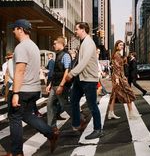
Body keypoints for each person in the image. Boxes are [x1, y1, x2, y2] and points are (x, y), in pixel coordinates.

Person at [6, 19, 59, 156]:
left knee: (15, 118)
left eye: (14, 29)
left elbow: (20, 71)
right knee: (27, 115)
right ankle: (51, 133)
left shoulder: (22, 47)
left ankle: (17, 152)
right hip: (33, 89)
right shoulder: (34, 46)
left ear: (20, 29)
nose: (13, 31)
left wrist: (15, 92)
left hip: (22, 89)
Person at [65, 22, 103, 139]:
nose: (75, 31)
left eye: (76, 29)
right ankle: (76, 126)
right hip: (80, 78)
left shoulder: (89, 43)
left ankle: (98, 129)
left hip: (89, 79)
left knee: (92, 105)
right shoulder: (83, 43)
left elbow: (84, 61)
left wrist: (71, 73)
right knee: (73, 101)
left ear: (83, 30)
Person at [108, 40, 141, 120]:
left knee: (114, 94)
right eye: (120, 45)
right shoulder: (117, 55)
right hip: (118, 77)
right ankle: (131, 113)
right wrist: (117, 79)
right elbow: (116, 67)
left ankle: (111, 112)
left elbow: (120, 66)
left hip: (120, 76)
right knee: (128, 92)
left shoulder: (118, 54)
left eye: (122, 45)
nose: (122, 46)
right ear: (116, 46)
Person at [46, 36, 71, 128]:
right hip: (55, 84)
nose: (54, 45)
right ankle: (52, 127)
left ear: (61, 44)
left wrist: (61, 85)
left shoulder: (65, 55)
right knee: (50, 104)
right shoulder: (58, 54)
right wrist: (50, 84)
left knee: (65, 105)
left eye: (55, 43)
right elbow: (55, 71)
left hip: (60, 84)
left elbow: (67, 71)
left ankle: (79, 118)